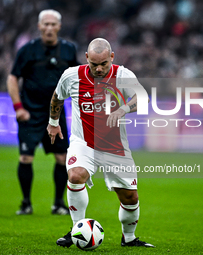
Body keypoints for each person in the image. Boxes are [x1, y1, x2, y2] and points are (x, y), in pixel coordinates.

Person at [47, 38, 155, 247]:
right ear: (86, 58)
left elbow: (143, 98)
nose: (98, 68)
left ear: (112, 57)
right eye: (93, 64)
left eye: (103, 64)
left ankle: (129, 238)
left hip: (115, 146)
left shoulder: (123, 75)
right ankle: (76, 229)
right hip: (83, 142)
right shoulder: (72, 76)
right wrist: (53, 122)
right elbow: (57, 97)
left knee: (130, 196)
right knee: (75, 175)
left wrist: (123, 108)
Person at [7, 9, 79, 215]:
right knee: (26, 158)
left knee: (62, 158)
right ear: (39, 27)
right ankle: (26, 203)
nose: (49, 28)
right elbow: (13, 78)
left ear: (59, 26)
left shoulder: (68, 50)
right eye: (45, 24)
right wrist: (18, 107)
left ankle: (58, 203)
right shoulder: (27, 50)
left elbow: (77, 78)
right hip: (30, 114)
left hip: (56, 114)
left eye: (53, 24)